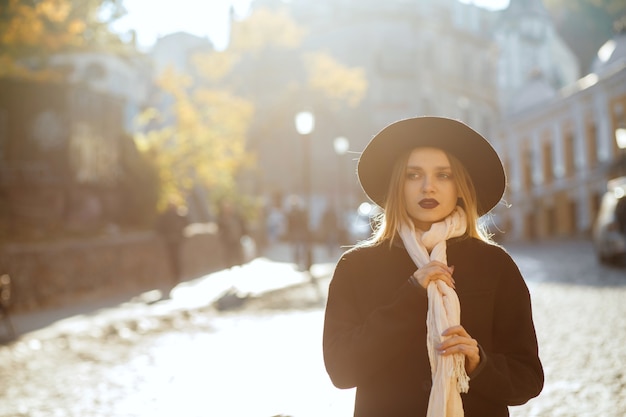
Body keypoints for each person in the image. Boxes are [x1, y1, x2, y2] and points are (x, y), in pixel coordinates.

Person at [323, 116, 544, 417]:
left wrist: (480, 364)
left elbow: (527, 377)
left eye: (443, 175)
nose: (428, 187)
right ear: (397, 185)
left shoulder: (495, 265)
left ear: (461, 186)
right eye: (413, 175)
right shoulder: (357, 266)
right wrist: (412, 294)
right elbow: (342, 370)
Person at [216, 199, 247, 269]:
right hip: (227, 240)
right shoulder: (221, 218)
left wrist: (243, 234)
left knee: (238, 253)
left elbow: (242, 225)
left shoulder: (236, 216)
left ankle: (240, 264)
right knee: (228, 255)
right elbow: (219, 229)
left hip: (236, 238)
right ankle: (228, 266)